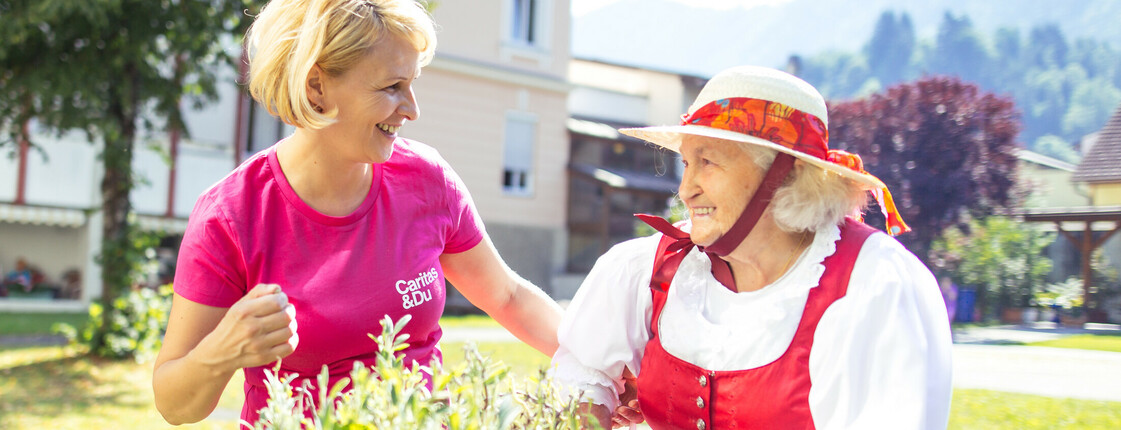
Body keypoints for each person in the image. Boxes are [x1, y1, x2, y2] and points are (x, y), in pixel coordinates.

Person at [152, 0, 563, 427]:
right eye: (392, 87)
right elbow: (174, 405)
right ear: (316, 88)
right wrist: (221, 351)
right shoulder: (231, 216)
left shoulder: (427, 179)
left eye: (412, 83)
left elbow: (509, 297)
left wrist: (606, 364)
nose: (412, 108)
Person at [551, 65, 953, 429]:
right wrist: (589, 413)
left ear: (785, 171)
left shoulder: (872, 288)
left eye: (708, 161)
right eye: (687, 164)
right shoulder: (652, 268)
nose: (686, 190)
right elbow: (582, 371)